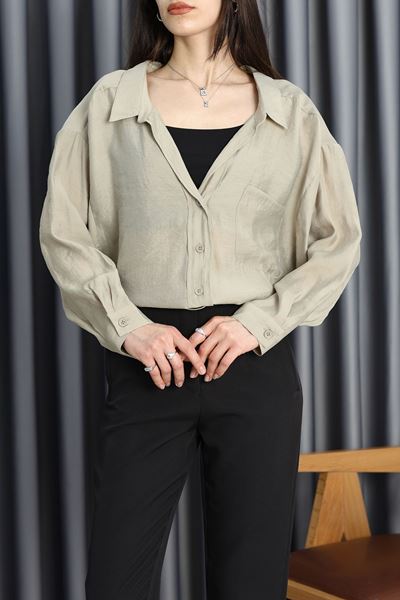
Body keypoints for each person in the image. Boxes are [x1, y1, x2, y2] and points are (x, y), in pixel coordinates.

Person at [38, 1, 362, 598]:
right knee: (115, 581)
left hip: (252, 366)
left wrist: (258, 324)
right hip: (146, 366)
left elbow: (338, 241)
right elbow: (64, 233)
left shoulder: (289, 112)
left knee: (250, 582)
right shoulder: (110, 104)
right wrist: (129, 326)